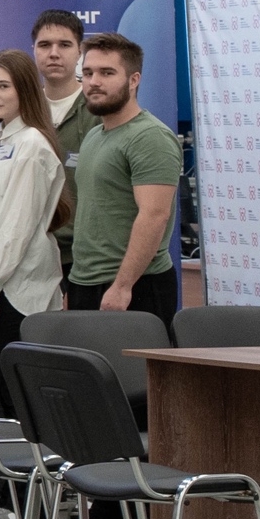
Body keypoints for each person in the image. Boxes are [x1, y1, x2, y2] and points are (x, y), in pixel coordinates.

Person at [0, 48, 67, 433]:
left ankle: (38, 470)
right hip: (7, 287)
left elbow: (15, 229)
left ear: (24, 88)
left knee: (24, 395)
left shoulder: (30, 145)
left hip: (22, 290)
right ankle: (22, 472)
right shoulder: (5, 138)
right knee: (10, 391)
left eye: (3, 86)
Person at [65, 32, 181, 331]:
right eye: (88, 73)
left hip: (136, 286)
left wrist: (122, 286)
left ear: (133, 80)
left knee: (133, 366)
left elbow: (155, 215)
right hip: (86, 282)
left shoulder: (150, 137)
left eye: (107, 73)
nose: (94, 82)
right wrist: (76, 283)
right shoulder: (94, 136)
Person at [30, 9, 99, 250]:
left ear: (80, 52)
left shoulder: (99, 110)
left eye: (64, 45)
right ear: (34, 50)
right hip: (32, 251)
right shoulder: (22, 110)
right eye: (45, 45)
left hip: (87, 252)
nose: (54, 53)